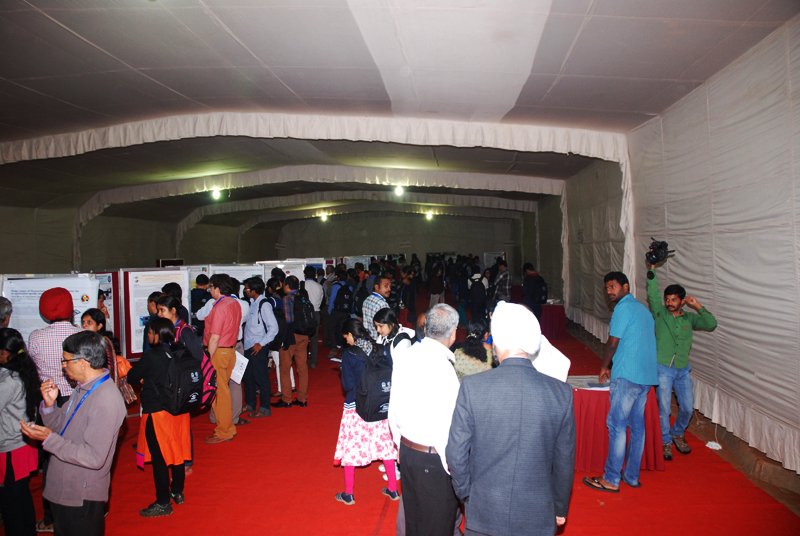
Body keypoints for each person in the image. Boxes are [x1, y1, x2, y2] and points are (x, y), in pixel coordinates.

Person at [447, 302, 575, 536]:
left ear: (497, 340)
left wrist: (467, 494)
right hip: (537, 513)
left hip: (484, 510)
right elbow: (564, 462)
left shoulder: (473, 387)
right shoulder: (561, 393)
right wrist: (559, 506)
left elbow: (456, 452)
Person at [21, 331, 125, 536]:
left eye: (66, 360)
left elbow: (94, 457)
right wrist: (50, 407)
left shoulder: (106, 399)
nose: (63, 366)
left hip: (81, 495)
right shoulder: (82, 388)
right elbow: (63, 426)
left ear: (83, 363)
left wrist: (49, 439)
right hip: (67, 487)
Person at [388, 304, 461, 536]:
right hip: (434, 458)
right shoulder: (444, 368)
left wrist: (399, 444)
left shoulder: (407, 355)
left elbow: (393, 407)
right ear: (454, 333)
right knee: (438, 526)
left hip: (408, 451)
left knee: (415, 522)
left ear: (426, 328)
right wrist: (452, 466)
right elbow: (449, 424)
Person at [583, 272, 657, 493]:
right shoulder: (643, 310)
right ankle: (631, 476)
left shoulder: (623, 309)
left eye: (613, 286)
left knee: (617, 425)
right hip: (645, 376)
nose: (609, 291)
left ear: (626, 287)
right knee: (637, 427)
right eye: (607, 288)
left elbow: (612, 343)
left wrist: (605, 366)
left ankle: (611, 478)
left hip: (627, 375)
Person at [646, 264, 717, 461]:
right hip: (663, 368)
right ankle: (665, 441)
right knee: (664, 409)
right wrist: (652, 269)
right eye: (667, 299)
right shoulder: (660, 313)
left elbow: (711, 324)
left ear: (682, 301)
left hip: (683, 370)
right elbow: (652, 293)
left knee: (687, 408)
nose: (669, 303)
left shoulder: (690, 318)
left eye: (674, 299)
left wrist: (698, 306)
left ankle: (677, 433)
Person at [27, 287, 82, 533]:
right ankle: (89, 506)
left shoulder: (36, 337)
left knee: (52, 455)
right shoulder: (81, 335)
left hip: (49, 400)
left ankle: (50, 517)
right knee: (82, 452)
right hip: (77, 399)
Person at [127, 319, 191, 517]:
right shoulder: (180, 351)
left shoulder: (152, 356)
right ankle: (177, 491)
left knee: (160, 458)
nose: (147, 336)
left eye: (149, 332)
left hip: (158, 412)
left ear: (157, 334)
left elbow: (131, 377)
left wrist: (145, 377)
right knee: (177, 451)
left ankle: (163, 502)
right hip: (179, 410)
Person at [333, 319, 399, 506]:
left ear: (351, 334)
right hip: (381, 403)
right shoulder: (382, 348)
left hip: (357, 406)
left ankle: (349, 493)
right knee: (386, 446)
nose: (346, 341)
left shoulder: (350, 354)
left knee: (351, 447)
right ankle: (393, 489)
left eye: (346, 337)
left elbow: (348, 385)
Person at [0, 329, 40, 536]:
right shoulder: (22, 370)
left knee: (11, 504)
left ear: (6, 353)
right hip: (22, 442)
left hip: (11, 447)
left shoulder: (9, 381)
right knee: (21, 495)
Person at [203, 274, 243, 444]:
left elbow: (214, 337)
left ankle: (224, 430)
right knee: (222, 391)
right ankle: (227, 428)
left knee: (220, 394)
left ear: (217, 288)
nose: (209, 290)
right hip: (230, 351)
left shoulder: (220, 307)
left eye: (211, 287)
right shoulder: (234, 303)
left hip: (219, 352)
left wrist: (207, 358)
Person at [242, 277, 277, 418]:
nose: (245, 291)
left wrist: (261, 343)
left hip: (258, 347)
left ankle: (264, 408)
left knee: (261, 379)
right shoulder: (252, 303)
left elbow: (274, 328)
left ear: (254, 290)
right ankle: (250, 403)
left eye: (247, 288)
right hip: (248, 345)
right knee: (248, 377)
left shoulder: (264, 305)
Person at [272, 276, 309, 408]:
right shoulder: (304, 297)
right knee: (302, 368)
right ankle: (302, 398)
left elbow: (288, 319)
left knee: (285, 367)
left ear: (287, 286)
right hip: (304, 335)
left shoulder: (287, 299)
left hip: (290, 336)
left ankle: (287, 399)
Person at [265, 278, 294, 397]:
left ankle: (281, 388)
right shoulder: (284, 297)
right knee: (286, 361)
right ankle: (291, 385)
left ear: (269, 288)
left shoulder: (273, 300)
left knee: (279, 362)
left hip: (278, 334)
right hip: (287, 332)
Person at [452, 316, 492, 381]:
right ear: (486, 335)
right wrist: (489, 349)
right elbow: (491, 374)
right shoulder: (489, 354)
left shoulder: (457, 351)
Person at [327, 269, 353, 360]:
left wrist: (330, 310)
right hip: (345, 312)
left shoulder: (336, 286)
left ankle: (333, 348)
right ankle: (342, 349)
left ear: (338, 278)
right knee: (343, 330)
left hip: (336, 311)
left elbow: (332, 299)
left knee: (331, 328)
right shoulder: (350, 287)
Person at [303, 266, 324, 370]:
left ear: (305, 275)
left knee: (304, 337)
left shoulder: (302, 285)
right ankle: (314, 361)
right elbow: (321, 300)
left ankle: (304, 359)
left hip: (304, 313)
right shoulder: (319, 286)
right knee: (314, 338)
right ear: (315, 275)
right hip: (316, 312)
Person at [362, 275, 391, 340]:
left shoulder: (367, 300)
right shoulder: (382, 304)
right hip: (378, 340)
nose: (389, 289)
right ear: (377, 287)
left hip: (368, 338)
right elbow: (387, 328)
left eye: (390, 286)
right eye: (386, 286)